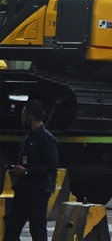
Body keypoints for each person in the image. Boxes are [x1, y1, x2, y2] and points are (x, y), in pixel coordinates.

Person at [5, 99, 59, 241]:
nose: (21, 117)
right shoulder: (28, 137)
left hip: (38, 193)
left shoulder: (46, 138)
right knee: (11, 230)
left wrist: (27, 172)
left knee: (37, 231)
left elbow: (52, 166)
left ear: (31, 115)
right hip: (23, 191)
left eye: (23, 113)